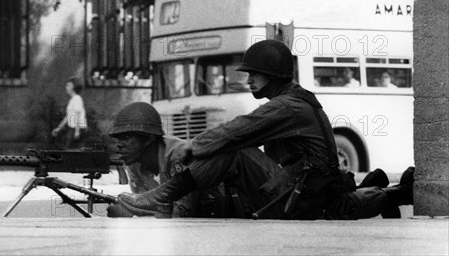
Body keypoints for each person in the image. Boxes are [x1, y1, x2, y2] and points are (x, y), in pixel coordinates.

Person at [116, 40, 414, 220]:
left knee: (234, 152)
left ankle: (160, 196)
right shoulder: (290, 101)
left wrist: (193, 146)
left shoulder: (287, 106)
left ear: (272, 73)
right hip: (303, 190)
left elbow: (239, 130)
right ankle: (161, 196)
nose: (248, 80)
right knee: (232, 151)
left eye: (253, 73)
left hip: (300, 198)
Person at [107, 102, 231, 218]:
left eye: (127, 137)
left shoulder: (179, 155)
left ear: (149, 138)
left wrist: (131, 212)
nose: (119, 144)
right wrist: (130, 209)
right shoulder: (134, 163)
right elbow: (144, 205)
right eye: (118, 138)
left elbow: (182, 213)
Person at [52, 77, 87, 148]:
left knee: (70, 152)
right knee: (69, 151)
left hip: (78, 128)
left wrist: (77, 131)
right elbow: (68, 116)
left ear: (74, 87)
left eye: (68, 85)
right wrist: (58, 128)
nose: (66, 87)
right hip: (73, 129)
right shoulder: (72, 100)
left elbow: (77, 115)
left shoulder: (77, 99)